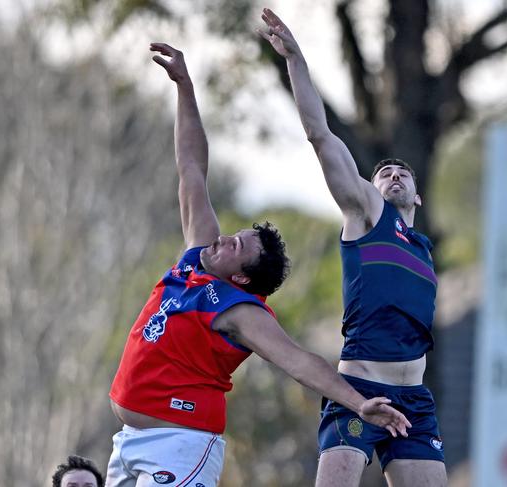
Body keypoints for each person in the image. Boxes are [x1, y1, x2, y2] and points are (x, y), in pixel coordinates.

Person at [105, 42, 411, 487]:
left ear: (243, 277)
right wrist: (185, 87)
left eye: (237, 247)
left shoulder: (239, 308)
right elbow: (191, 167)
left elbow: (300, 362)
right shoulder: (196, 261)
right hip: (130, 439)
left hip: (182, 442)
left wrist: (357, 402)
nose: (225, 239)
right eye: (236, 235)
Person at [259, 8, 448, 487]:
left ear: (417, 193)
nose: (393, 174)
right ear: (370, 188)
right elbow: (320, 135)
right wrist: (297, 60)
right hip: (359, 388)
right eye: (383, 172)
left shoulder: (424, 248)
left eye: (403, 171)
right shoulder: (367, 214)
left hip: (415, 400)